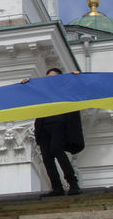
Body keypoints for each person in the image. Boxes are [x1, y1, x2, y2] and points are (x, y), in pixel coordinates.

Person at [29, 69, 84, 197]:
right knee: (47, 158)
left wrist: (76, 77)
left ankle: (73, 183)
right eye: (48, 78)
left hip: (58, 123)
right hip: (43, 126)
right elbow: (29, 93)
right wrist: (27, 84)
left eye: (53, 77)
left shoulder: (65, 89)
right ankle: (57, 187)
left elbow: (80, 91)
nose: (50, 80)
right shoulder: (43, 92)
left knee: (57, 149)